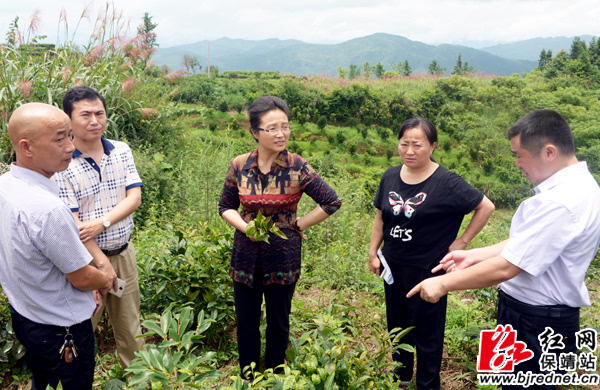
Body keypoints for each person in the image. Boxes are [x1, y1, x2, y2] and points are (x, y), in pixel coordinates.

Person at [408, 109, 600, 390]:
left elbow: (509, 266)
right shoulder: (582, 186)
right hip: (540, 318)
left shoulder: (560, 201)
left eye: (519, 155)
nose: (516, 164)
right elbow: (529, 243)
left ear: (548, 152)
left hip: (535, 323)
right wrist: (473, 254)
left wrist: (443, 283)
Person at [218, 96, 342, 378]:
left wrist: (299, 225)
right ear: (255, 133)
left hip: (283, 255)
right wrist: (244, 227)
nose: (281, 133)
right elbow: (226, 206)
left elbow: (331, 202)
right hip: (245, 255)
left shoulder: (297, 166)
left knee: (278, 320)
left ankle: (275, 376)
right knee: (247, 321)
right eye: (271, 128)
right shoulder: (240, 165)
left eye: (285, 127)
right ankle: (247, 377)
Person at [369, 117, 495, 389]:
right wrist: (373, 251)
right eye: (404, 144)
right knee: (398, 325)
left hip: (429, 268)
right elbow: (381, 217)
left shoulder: (446, 181)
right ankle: (401, 378)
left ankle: (427, 384)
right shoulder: (390, 175)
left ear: (433, 146)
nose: (409, 151)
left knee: (427, 331)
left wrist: (461, 242)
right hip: (393, 265)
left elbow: (485, 206)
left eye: (417, 145)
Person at [0, 103, 110, 390]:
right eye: (60, 138)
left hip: (26, 315)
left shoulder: (5, 186)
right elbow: (82, 277)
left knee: (42, 379)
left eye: (69, 136)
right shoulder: (48, 209)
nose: (70, 147)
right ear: (27, 147)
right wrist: (105, 277)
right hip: (62, 327)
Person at [52, 86, 144, 368]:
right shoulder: (62, 162)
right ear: (69, 120)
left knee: (130, 325)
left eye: (99, 113)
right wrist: (102, 266)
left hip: (123, 253)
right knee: (81, 325)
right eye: (85, 114)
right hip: (84, 263)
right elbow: (76, 228)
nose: (95, 120)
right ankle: (70, 379)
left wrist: (101, 222)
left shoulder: (121, 150)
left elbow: (135, 197)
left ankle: (140, 377)